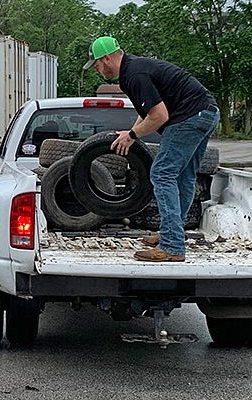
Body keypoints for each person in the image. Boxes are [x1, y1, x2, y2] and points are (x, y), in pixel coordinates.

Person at [83, 36, 220, 262]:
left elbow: (159, 116)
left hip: (189, 118)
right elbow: (147, 112)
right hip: (206, 112)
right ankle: (173, 233)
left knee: (161, 173)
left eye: (96, 64)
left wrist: (133, 135)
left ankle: (172, 246)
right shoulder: (134, 69)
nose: (97, 70)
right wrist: (131, 134)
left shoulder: (134, 75)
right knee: (184, 176)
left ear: (106, 59)